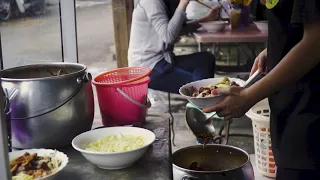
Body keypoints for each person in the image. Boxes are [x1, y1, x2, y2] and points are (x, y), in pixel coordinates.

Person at [203, 0, 320, 179]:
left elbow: (315, 43)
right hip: (289, 107)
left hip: (309, 117)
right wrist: (275, 49)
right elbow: (298, 26)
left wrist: (248, 96)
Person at [128, 0, 221, 94]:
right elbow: (168, 36)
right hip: (148, 68)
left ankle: (203, 98)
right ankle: (202, 98)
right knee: (198, 84)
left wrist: (206, 19)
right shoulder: (151, 2)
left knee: (206, 59)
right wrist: (183, 4)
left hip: (163, 60)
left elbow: (177, 30)